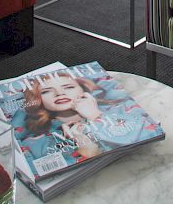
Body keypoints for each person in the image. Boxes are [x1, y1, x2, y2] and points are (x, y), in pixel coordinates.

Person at [13, 70, 158, 171]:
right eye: (46, 91)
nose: (59, 93)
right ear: (39, 99)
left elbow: (150, 134)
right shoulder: (38, 141)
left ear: (84, 90)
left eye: (68, 87)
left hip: (141, 163)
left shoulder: (119, 108)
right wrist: (86, 148)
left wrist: (96, 116)